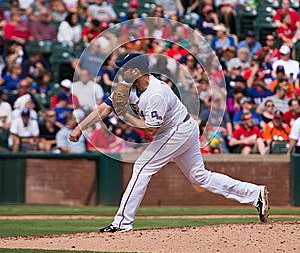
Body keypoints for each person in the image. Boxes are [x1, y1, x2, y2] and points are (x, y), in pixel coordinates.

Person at [69, 53, 270, 232]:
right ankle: (254, 194)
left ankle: (122, 223)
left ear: (137, 71)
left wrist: (126, 117)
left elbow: (151, 129)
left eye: (125, 68)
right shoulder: (126, 87)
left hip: (177, 130)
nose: (121, 71)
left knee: (142, 167)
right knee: (199, 177)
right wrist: (80, 127)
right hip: (181, 128)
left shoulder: (156, 93)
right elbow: (105, 108)